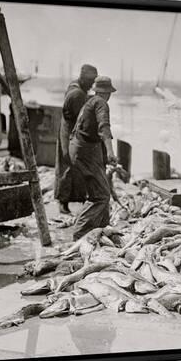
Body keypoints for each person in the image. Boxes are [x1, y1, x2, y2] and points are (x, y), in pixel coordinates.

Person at [69, 76, 118, 240]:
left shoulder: (90, 102)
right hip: (86, 152)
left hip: (80, 149)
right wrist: (111, 152)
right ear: (108, 93)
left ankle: (103, 229)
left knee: (99, 190)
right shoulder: (101, 103)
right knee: (101, 195)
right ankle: (80, 234)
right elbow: (104, 127)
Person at [54, 64, 98, 214]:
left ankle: (76, 199)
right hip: (70, 133)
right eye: (91, 82)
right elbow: (82, 118)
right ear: (84, 80)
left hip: (67, 129)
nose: (92, 85)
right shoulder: (77, 94)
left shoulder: (74, 86)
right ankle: (63, 203)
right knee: (68, 166)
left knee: (74, 166)